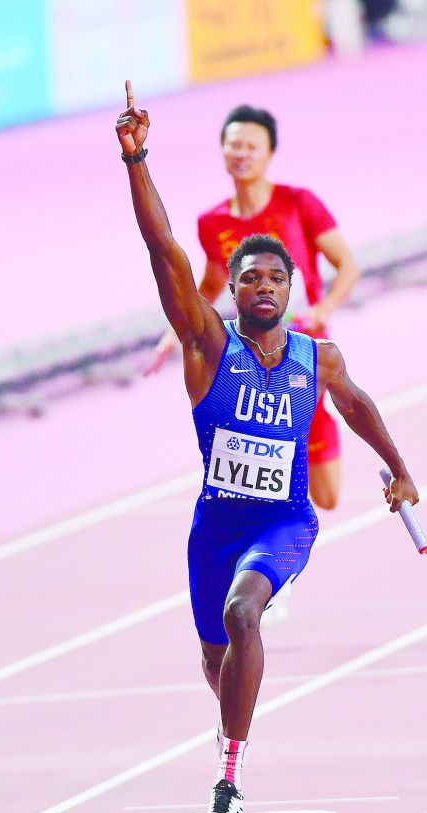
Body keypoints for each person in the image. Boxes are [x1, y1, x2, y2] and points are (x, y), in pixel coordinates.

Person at [117, 82, 419, 813]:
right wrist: (137, 160)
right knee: (216, 659)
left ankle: (229, 777)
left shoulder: (319, 356)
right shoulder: (206, 346)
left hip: (282, 523)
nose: (261, 286)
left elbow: (356, 404)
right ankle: (229, 717)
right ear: (235, 288)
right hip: (213, 528)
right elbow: (165, 250)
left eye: (275, 278)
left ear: (290, 289)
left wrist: (400, 465)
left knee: (245, 612)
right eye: (248, 276)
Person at [145, 104, 361, 512]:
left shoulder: (299, 204)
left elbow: (348, 265)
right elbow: (209, 286)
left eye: (251, 146)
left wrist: (324, 307)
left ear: (269, 153)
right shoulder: (212, 222)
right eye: (233, 145)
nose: (241, 153)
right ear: (223, 151)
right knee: (251, 451)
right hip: (244, 358)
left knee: (328, 497)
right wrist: (173, 332)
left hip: (301, 352)